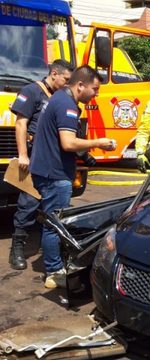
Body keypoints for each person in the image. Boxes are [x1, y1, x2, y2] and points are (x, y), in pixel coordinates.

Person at [29, 65, 116, 288]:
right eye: (95, 89)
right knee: (55, 224)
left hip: (47, 170)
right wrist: (99, 142)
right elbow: (68, 143)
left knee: (53, 221)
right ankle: (55, 271)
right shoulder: (67, 105)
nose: (97, 94)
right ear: (80, 85)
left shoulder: (59, 98)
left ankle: (54, 263)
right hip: (54, 174)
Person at [8, 60, 76, 271]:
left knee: (55, 208)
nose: (67, 84)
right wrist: (22, 155)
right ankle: (17, 247)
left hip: (53, 159)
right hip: (33, 157)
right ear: (54, 73)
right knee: (28, 203)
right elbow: (21, 124)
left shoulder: (62, 98)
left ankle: (53, 249)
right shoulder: (32, 91)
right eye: (65, 79)